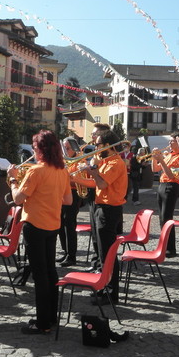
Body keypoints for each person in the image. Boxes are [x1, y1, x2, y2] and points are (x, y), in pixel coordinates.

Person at [8, 130, 72, 335]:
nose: (33, 151)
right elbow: (68, 201)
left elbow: (17, 199)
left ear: (42, 149)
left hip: (35, 225)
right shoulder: (62, 171)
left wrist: (12, 180)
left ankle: (43, 322)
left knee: (40, 274)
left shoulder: (35, 171)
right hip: (52, 225)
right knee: (50, 271)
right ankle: (50, 317)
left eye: (35, 148)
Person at [71, 130, 127, 304]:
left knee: (108, 253)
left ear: (108, 146)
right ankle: (104, 287)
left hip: (109, 210)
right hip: (101, 207)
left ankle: (111, 292)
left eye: (98, 145)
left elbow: (101, 182)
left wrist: (91, 169)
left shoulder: (115, 163)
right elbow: (96, 185)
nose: (95, 147)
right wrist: (73, 178)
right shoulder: (105, 161)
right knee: (102, 252)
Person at [152, 132, 179, 258]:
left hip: (171, 186)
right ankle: (164, 245)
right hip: (162, 185)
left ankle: (170, 249)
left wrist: (161, 160)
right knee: (161, 218)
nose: (169, 143)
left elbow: (171, 175)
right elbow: (155, 169)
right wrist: (154, 157)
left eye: (171, 141)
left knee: (167, 218)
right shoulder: (169, 155)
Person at [84, 123, 111, 272]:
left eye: (95, 135)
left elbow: (102, 178)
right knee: (94, 231)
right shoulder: (96, 152)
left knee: (100, 234)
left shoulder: (107, 156)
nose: (92, 138)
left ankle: (101, 264)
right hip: (93, 195)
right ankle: (96, 261)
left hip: (102, 196)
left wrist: (93, 168)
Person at [58, 138, 81, 267]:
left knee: (69, 224)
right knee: (61, 223)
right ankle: (65, 252)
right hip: (62, 192)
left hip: (73, 193)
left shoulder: (79, 161)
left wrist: (64, 176)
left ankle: (71, 255)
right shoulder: (64, 161)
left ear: (74, 148)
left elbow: (78, 180)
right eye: (64, 148)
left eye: (67, 148)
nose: (65, 151)